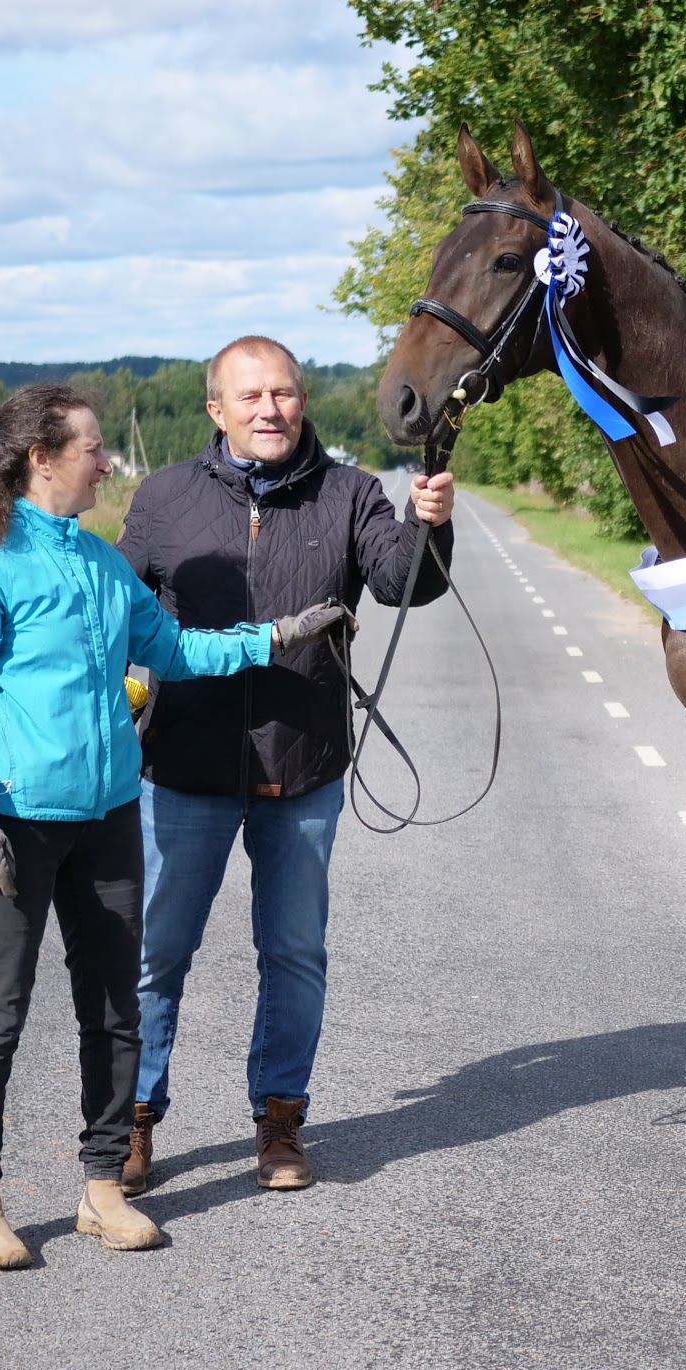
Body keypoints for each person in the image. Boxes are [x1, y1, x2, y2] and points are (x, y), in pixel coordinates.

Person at [0, 382, 349, 1270]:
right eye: (92, 447)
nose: (106, 460)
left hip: (111, 811)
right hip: (13, 826)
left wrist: (271, 640)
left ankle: (103, 1185)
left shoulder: (102, 563)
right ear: (43, 459)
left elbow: (175, 649)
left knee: (116, 1010)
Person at [114, 335, 454, 1194]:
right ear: (216, 410)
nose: (271, 410)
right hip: (184, 769)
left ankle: (280, 1122)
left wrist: (428, 530)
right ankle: (133, 1120)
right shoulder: (163, 499)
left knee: (294, 950)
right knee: (157, 952)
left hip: (302, 766)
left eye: (285, 394)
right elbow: (113, 607)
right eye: (252, 396)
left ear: (303, 401)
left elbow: (400, 583)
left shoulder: (351, 492)